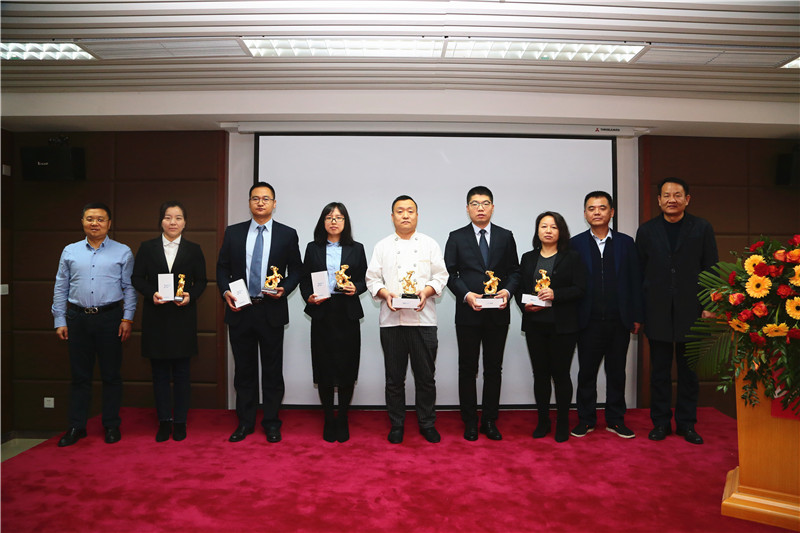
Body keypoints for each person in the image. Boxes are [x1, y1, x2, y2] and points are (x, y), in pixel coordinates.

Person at [217, 181, 302, 443]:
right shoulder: (233, 232)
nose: (261, 202)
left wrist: (285, 288)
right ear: (249, 203)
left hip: (271, 309)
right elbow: (222, 267)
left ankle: (272, 422)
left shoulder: (287, 234)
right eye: (256, 198)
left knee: (272, 371)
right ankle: (245, 422)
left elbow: (296, 270)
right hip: (241, 309)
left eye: (266, 198)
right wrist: (225, 291)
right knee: (244, 370)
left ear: (274, 204)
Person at [636, 177, 718, 445]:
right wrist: (639, 312)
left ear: (687, 199)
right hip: (656, 309)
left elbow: (711, 267)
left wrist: (709, 304)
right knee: (659, 372)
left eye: (677, 195)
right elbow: (639, 272)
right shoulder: (647, 231)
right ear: (659, 200)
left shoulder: (702, 227)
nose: (672, 199)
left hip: (691, 309)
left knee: (688, 372)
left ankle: (686, 424)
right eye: (666, 195)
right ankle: (660, 423)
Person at [52, 202, 137, 447]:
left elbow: (129, 288)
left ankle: (111, 425)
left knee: (111, 375)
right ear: (82, 222)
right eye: (90, 219)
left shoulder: (123, 252)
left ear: (109, 223)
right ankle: (77, 426)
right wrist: (60, 319)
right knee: (80, 376)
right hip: (77, 318)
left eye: (100, 219)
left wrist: (128, 318)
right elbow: (61, 286)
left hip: (110, 318)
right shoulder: (70, 251)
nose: (95, 223)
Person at [365, 195, 449, 444]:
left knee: (426, 377)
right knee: (394, 379)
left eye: (410, 211)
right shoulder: (382, 246)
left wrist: (426, 291)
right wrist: (385, 294)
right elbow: (372, 279)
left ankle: (427, 423)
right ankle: (397, 424)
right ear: (392, 217)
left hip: (424, 320)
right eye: (400, 211)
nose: (405, 215)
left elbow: (441, 276)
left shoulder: (430, 244)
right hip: (392, 321)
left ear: (417, 215)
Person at [444, 186, 520, 441]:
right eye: (475, 204)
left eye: (485, 203)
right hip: (468, 313)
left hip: (497, 313)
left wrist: (507, 292)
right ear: (467, 208)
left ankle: (489, 419)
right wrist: (467, 295)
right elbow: (449, 274)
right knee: (467, 368)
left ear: (492, 207)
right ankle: (469, 421)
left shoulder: (505, 236)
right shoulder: (456, 237)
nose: (480, 208)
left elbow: (515, 271)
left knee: (493, 368)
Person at [131, 201, 207, 442]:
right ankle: (164, 421)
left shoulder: (194, 249)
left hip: (183, 318)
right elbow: (136, 278)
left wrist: (190, 295)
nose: (173, 222)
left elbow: (202, 281)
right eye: (168, 217)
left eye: (178, 218)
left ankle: (180, 421)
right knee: (160, 374)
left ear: (185, 223)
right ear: (161, 221)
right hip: (156, 318)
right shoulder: (147, 248)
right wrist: (150, 293)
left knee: (182, 373)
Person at [570, 191, 643, 440]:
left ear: (611, 212)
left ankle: (616, 420)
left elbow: (635, 281)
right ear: (585, 214)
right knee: (586, 373)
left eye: (602, 208)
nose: (597, 212)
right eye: (591, 208)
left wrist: (636, 315)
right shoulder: (575, 244)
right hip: (587, 320)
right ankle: (586, 420)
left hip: (619, 319)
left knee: (617, 372)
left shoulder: (625, 243)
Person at [299, 202, 367, 443]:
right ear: (323, 222)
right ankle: (329, 418)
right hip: (322, 312)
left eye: (339, 217)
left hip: (347, 313)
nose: (334, 221)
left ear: (345, 222)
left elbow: (364, 279)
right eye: (329, 217)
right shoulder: (313, 248)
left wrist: (355, 288)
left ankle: (343, 417)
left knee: (347, 368)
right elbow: (304, 280)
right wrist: (308, 296)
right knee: (324, 368)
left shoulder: (356, 248)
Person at [516, 212, 586, 443]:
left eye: (553, 227)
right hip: (535, 325)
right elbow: (520, 288)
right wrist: (525, 305)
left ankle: (563, 422)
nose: (548, 230)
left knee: (561, 375)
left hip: (563, 326)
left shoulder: (572, 257)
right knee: (540, 375)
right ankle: (543, 420)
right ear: (537, 230)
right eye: (543, 226)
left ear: (560, 231)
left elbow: (580, 289)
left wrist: (556, 294)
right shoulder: (528, 258)